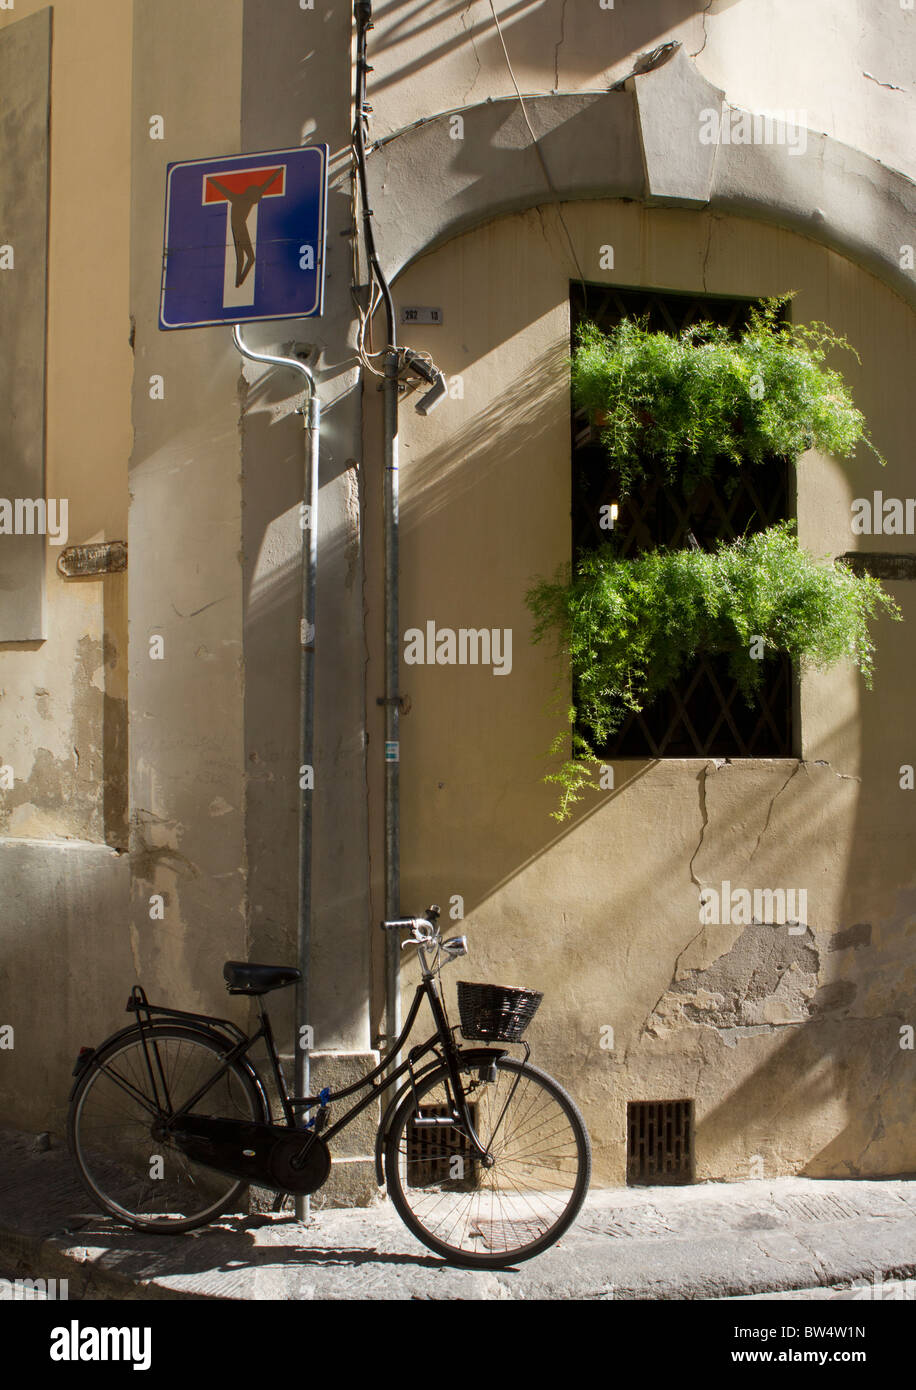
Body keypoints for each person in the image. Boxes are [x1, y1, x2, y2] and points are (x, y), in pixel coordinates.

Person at [207, 167, 283, 287]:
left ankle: (239, 281)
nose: (257, 198)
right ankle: (238, 282)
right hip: (237, 229)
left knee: (250, 259)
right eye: (257, 195)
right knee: (241, 258)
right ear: (252, 194)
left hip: (242, 227)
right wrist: (209, 179)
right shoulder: (237, 198)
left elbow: (266, 184)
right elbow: (223, 189)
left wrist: (280, 170)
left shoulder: (249, 200)